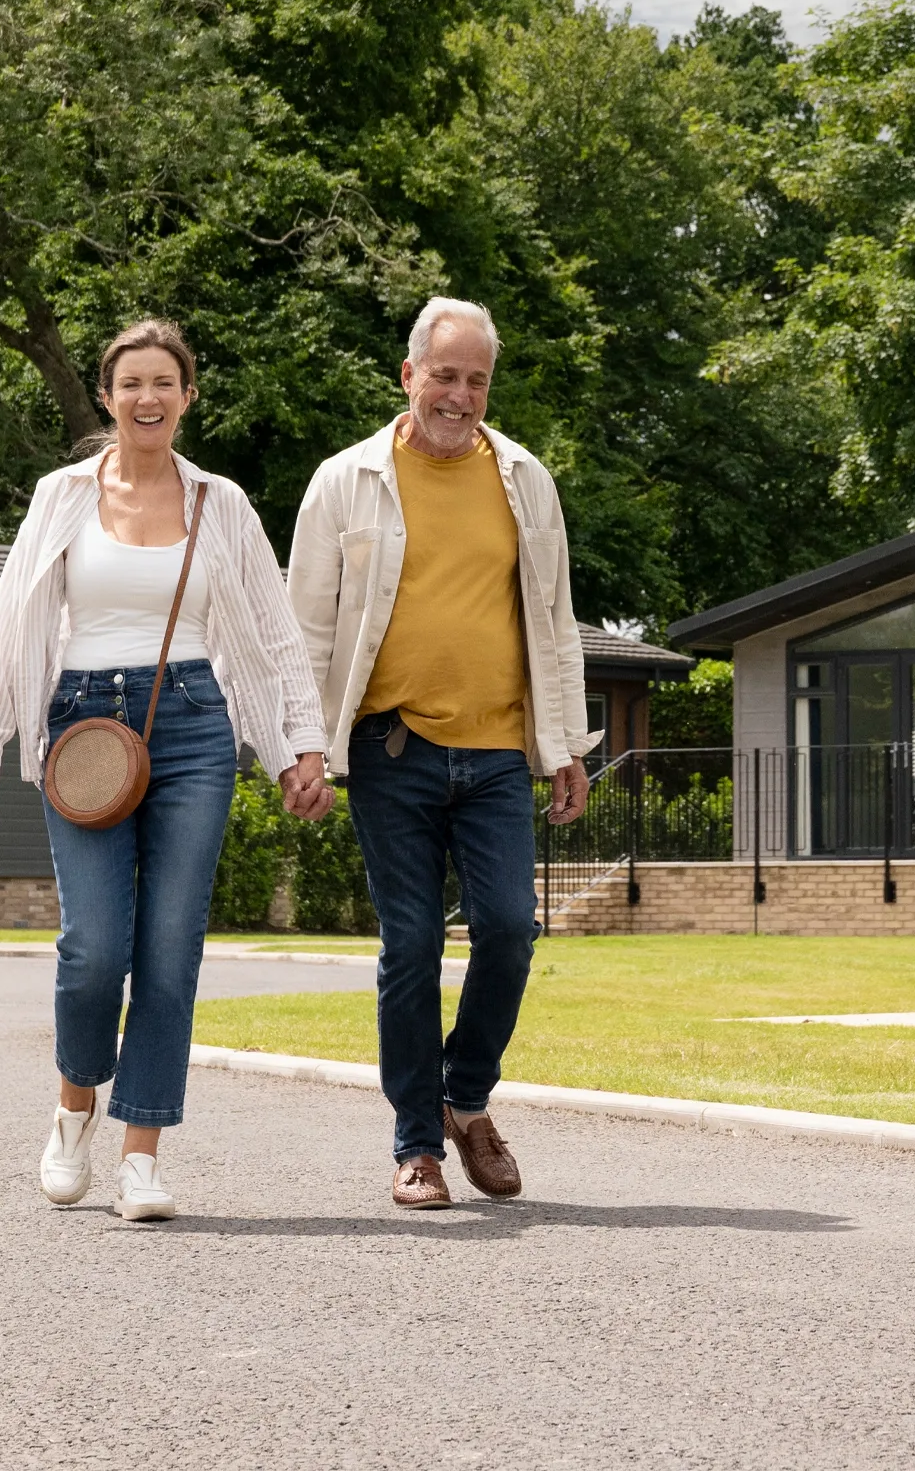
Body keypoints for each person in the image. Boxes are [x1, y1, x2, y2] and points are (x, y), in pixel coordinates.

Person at [0, 318, 331, 1223]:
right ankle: (75, 1102)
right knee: (94, 953)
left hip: (194, 722)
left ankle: (143, 1156)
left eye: (165, 383)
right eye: (132, 385)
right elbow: (10, 624)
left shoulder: (221, 503)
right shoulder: (62, 495)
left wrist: (298, 746)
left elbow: (272, 633)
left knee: (169, 951)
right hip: (82, 727)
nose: (148, 398)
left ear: (187, 397)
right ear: (109, 397)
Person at [288, 296, 593, 1209]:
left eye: (477, 379)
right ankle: (417, 1145)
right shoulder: (346, 481)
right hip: (394, 748)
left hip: (500, 749)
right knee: (411, 945)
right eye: (445, 375)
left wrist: (568, 743)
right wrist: (304, 748)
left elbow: (555, 618)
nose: (460, 395)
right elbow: (304, 628)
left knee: (509, 928)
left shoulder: (526, 478)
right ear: (409, 374)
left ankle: (466, 1099)